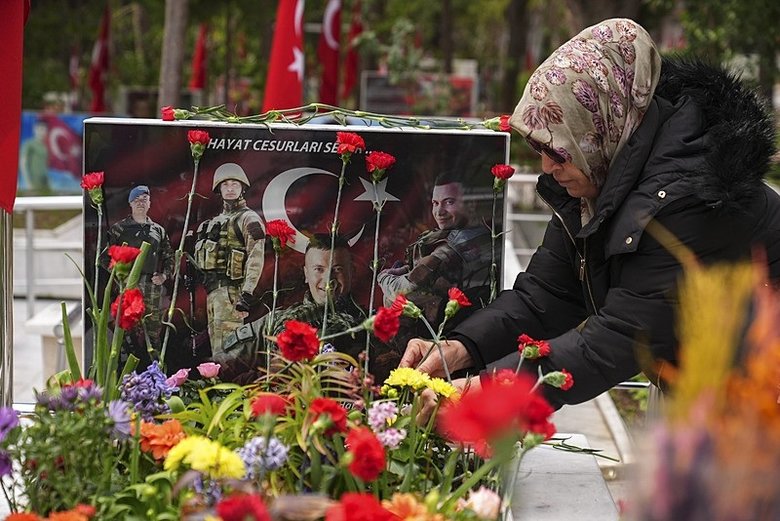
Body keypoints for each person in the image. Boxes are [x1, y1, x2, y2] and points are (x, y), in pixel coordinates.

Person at [401, 18, 780, 417]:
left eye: (558, 149)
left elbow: (616, 338)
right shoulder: (600, 179)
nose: (546, 167)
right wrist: (459, 348)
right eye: (539, 149)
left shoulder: (688, 195)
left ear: (598, 128)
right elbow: (545, 295)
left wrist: (489, 388)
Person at [223, 234, 400, 382]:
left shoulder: (370, 325)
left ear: (351, 273)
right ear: (306, 274)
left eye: (337, 269)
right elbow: (219, 369)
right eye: (319, 269)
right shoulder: (274, 323)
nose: (328, 280)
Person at [377, 171, 492, 324]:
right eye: (435, 203)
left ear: (471, 204)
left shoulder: (452, 248)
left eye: (449, 202)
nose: (439, 212)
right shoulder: (482, 234)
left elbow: (402, 290)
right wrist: (405, 269)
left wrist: (383, 277)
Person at [193, 162, 266, 361]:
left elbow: (256, 256)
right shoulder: (215, 222)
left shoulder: (248, 218)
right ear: (219, 189)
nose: (231, 188)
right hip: (213, 294)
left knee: (231, 350)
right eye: (226, 185)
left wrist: (247, 293)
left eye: (235, 184)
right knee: (217, 350)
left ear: (243, 187)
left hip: (233, 294)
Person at [105, 185, 175, 351]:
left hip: (152, 287)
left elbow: (169, 257)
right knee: (128, 334)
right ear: (130, 204)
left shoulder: (158, 230)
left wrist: (164, 276)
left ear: (150, 203)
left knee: (153, 334)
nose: (140, 203)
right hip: (128, 288)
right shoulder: (119, 229)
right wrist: (120, 276)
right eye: (136, 200)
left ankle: (153, 370)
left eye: (144, 199)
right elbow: (104, 258)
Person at [19, 119, 50, 194]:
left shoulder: (44, 146)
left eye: (43, 129)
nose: (41, 132)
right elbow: (23, 163)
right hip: (33, 182)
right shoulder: (29, 144)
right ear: (34, 129)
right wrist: (28, 182)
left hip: (44, 181)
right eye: (39, 129)